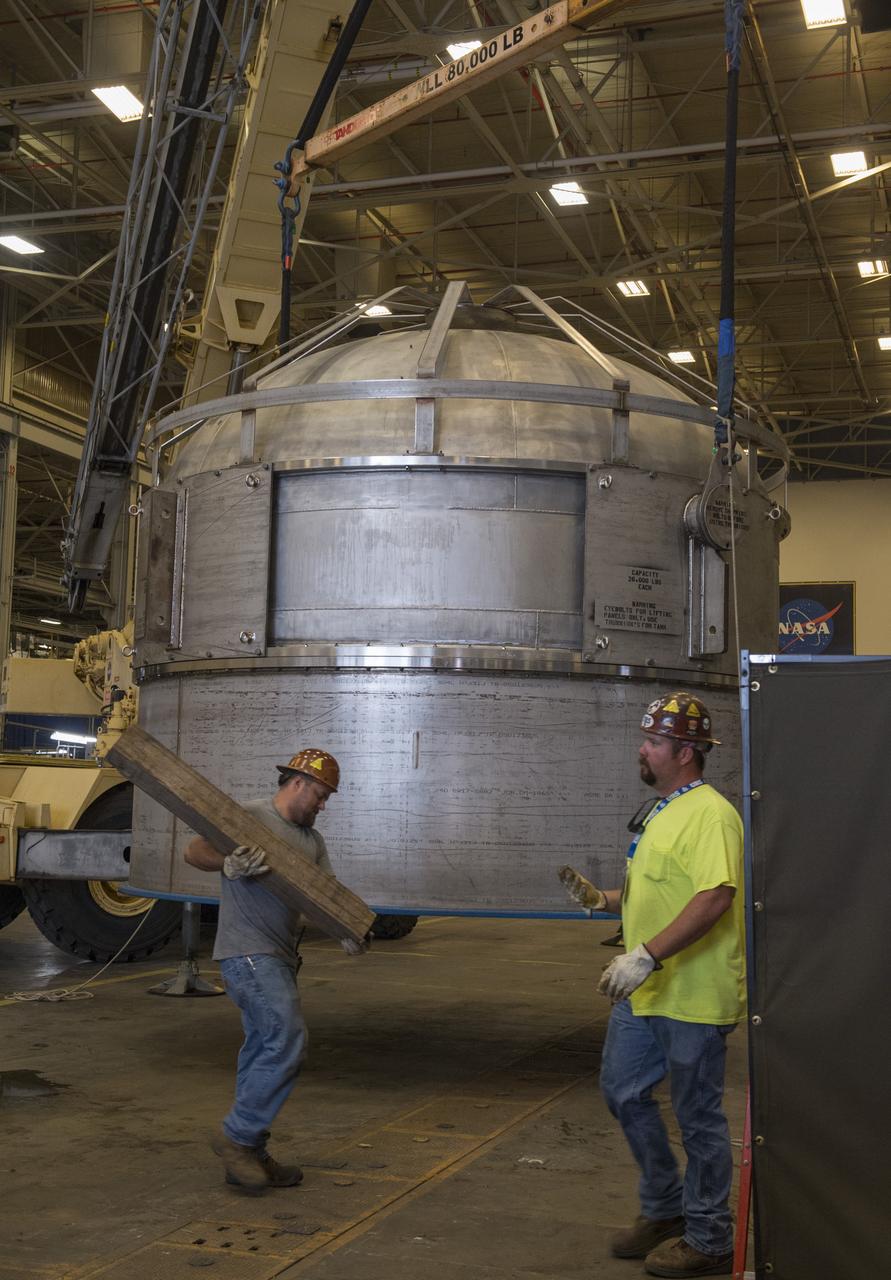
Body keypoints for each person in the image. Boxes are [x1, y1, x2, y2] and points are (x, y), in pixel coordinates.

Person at [560, 693, 744, 1279]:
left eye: (654, 742)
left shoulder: (711, 814)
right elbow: (660, 891)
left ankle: (711, 1238)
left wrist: (645, 955)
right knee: (623, 1092)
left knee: (699, 1119)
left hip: (692, 995)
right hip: (647, 991)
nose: (642, 749)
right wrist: (603, 900)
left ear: (686, 753)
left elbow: (715, 896)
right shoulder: (664, 808)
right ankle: (667, 1209)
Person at [185, 747, 368, 1193]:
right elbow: (194, 850)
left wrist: (346, 929)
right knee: (287, 1038)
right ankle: (237, 1138)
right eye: (321, 795)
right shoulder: (248, 818)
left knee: (262, 1049)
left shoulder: (313, 842)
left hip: (281, 958)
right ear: (297, 783)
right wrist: (226, 863)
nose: (323, 805)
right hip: (247, 953)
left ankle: (250, 1155)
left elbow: (326, 894)